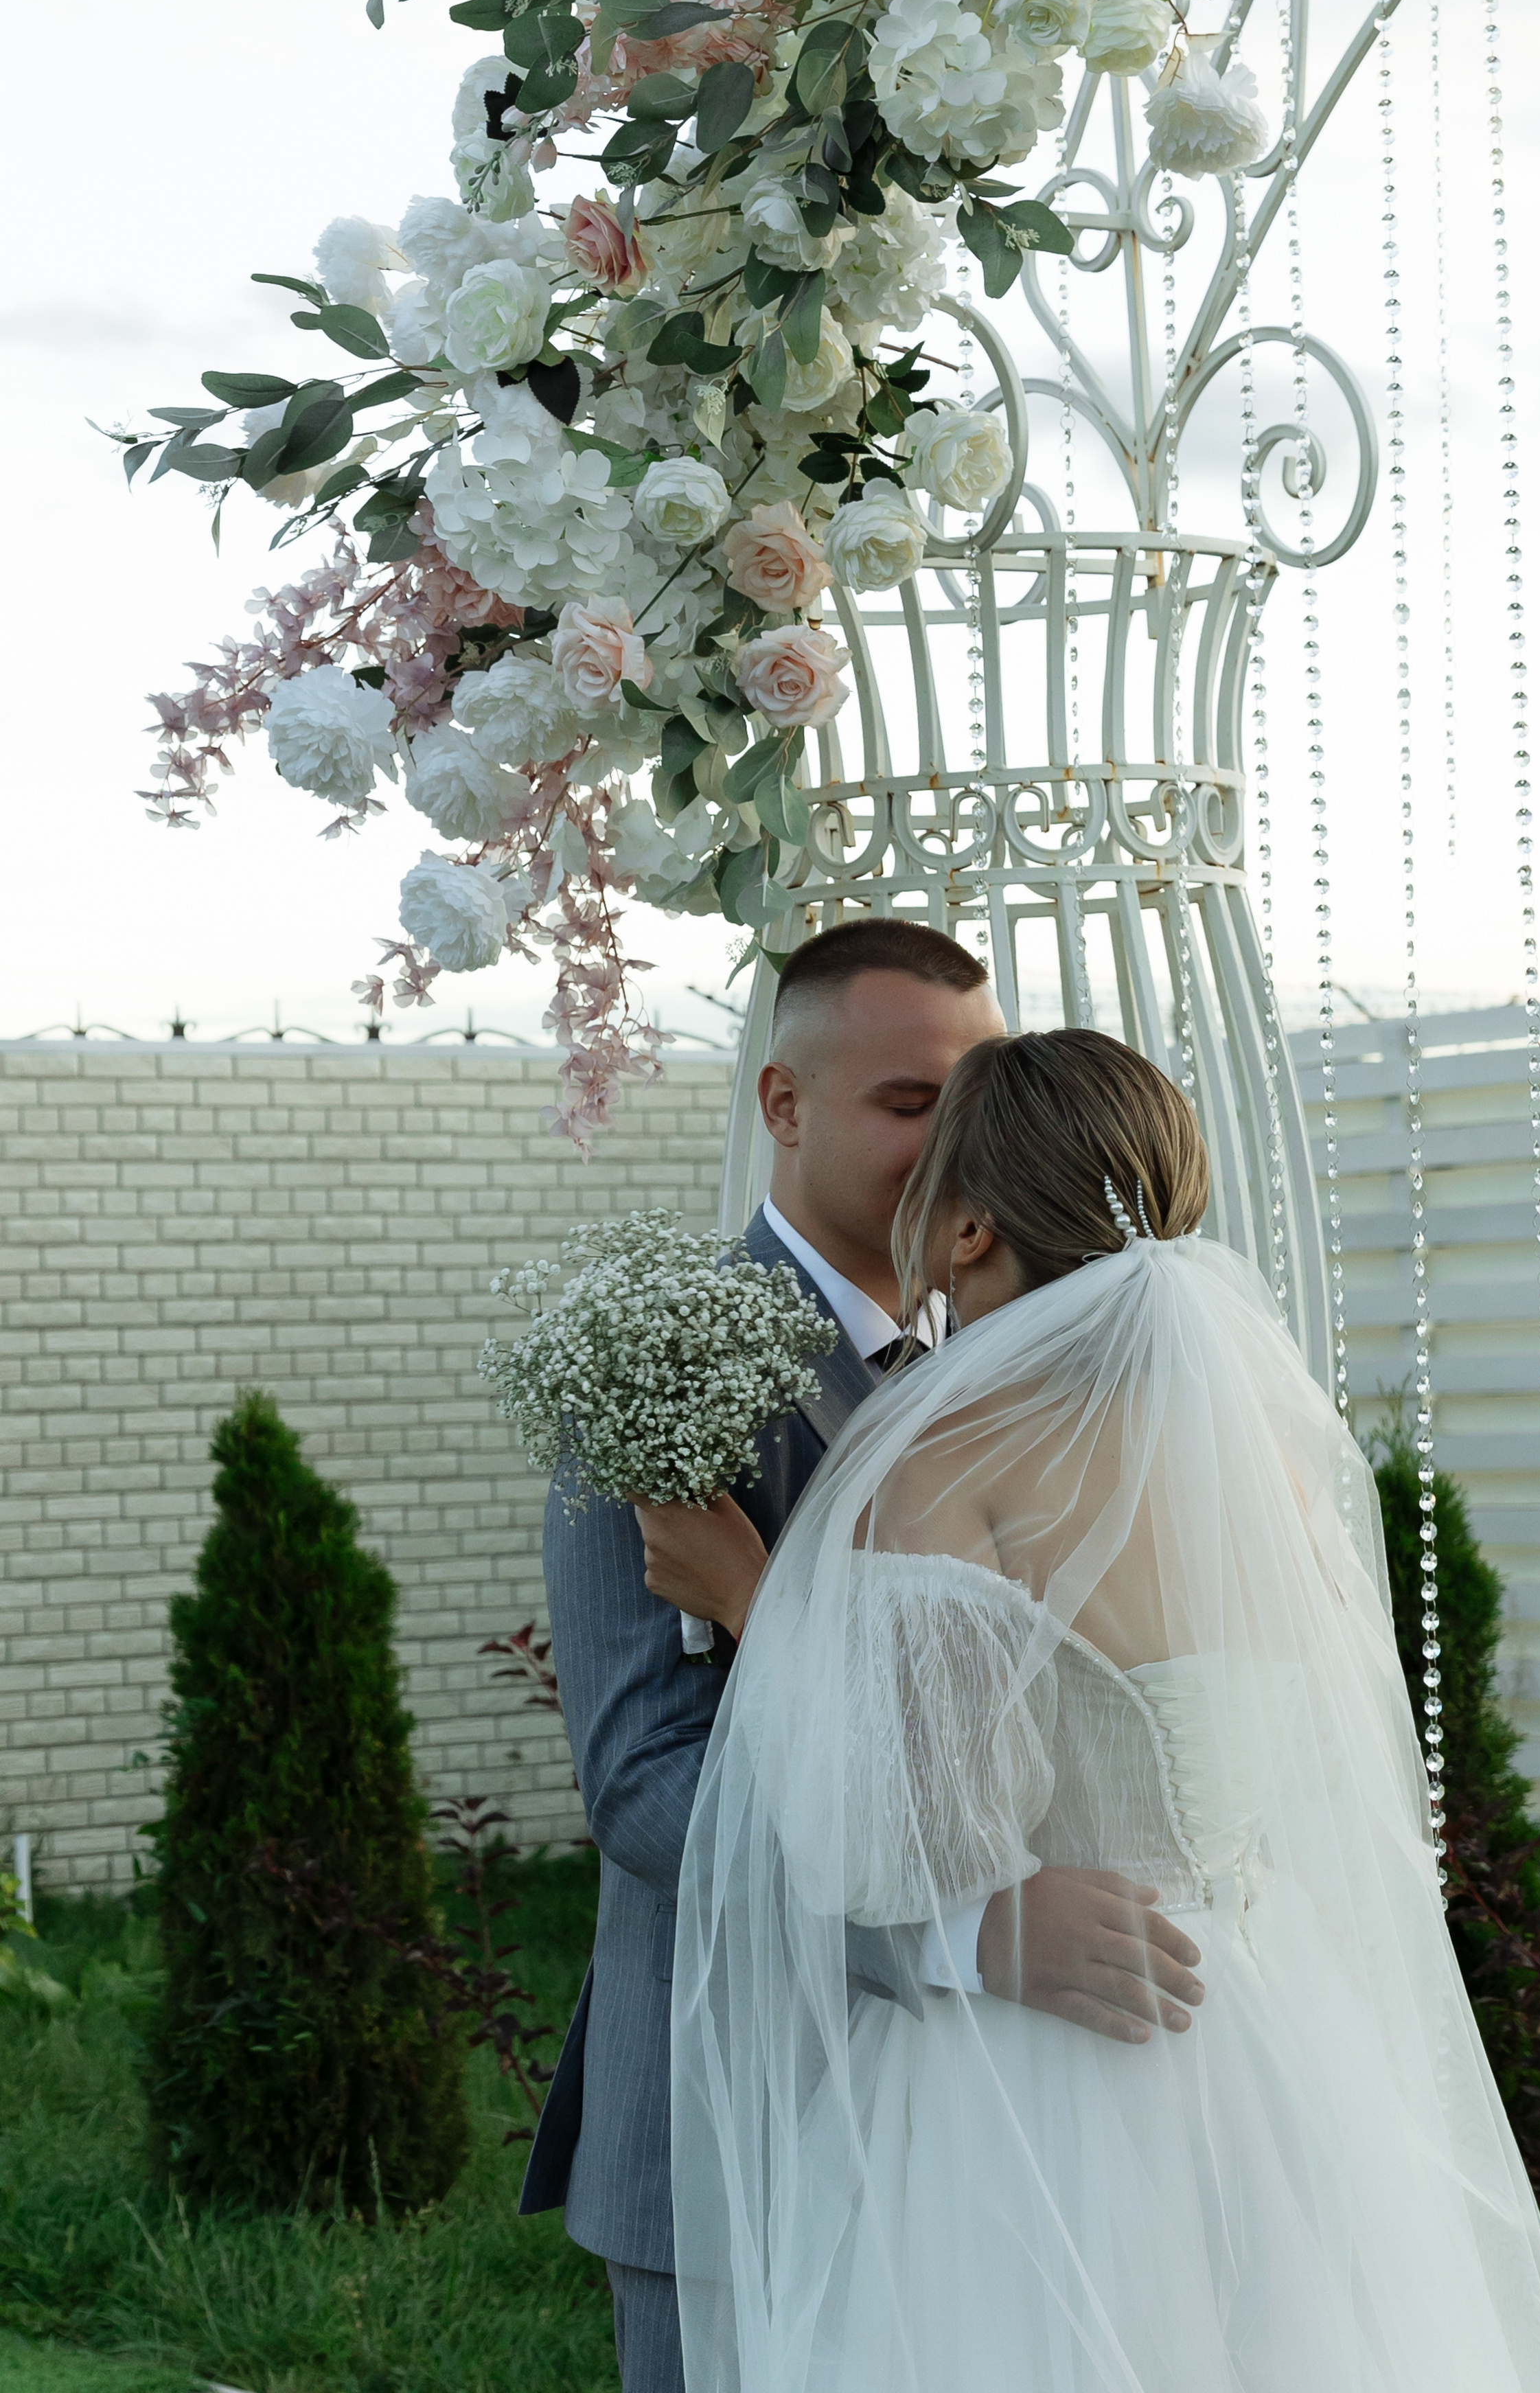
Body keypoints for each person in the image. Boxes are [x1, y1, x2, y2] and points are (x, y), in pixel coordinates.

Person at [669, 1028, 1540, 2393]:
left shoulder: (948, 1456)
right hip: (1260, 2024)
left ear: (969, 1228)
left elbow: (902, 1843)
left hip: (1042, 2073)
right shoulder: (1272, 1452)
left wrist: (751, 1601)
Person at [520, 926, 1208, 2393]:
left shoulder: (1043, 1376)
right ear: (783, 1103)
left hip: (1035, 2125)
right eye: (911, 1104)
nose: (954, 1144)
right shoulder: (657, 1362)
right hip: (740, 2117)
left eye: (977, 1101)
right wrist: (963, 1933)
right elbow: (645, 1783)